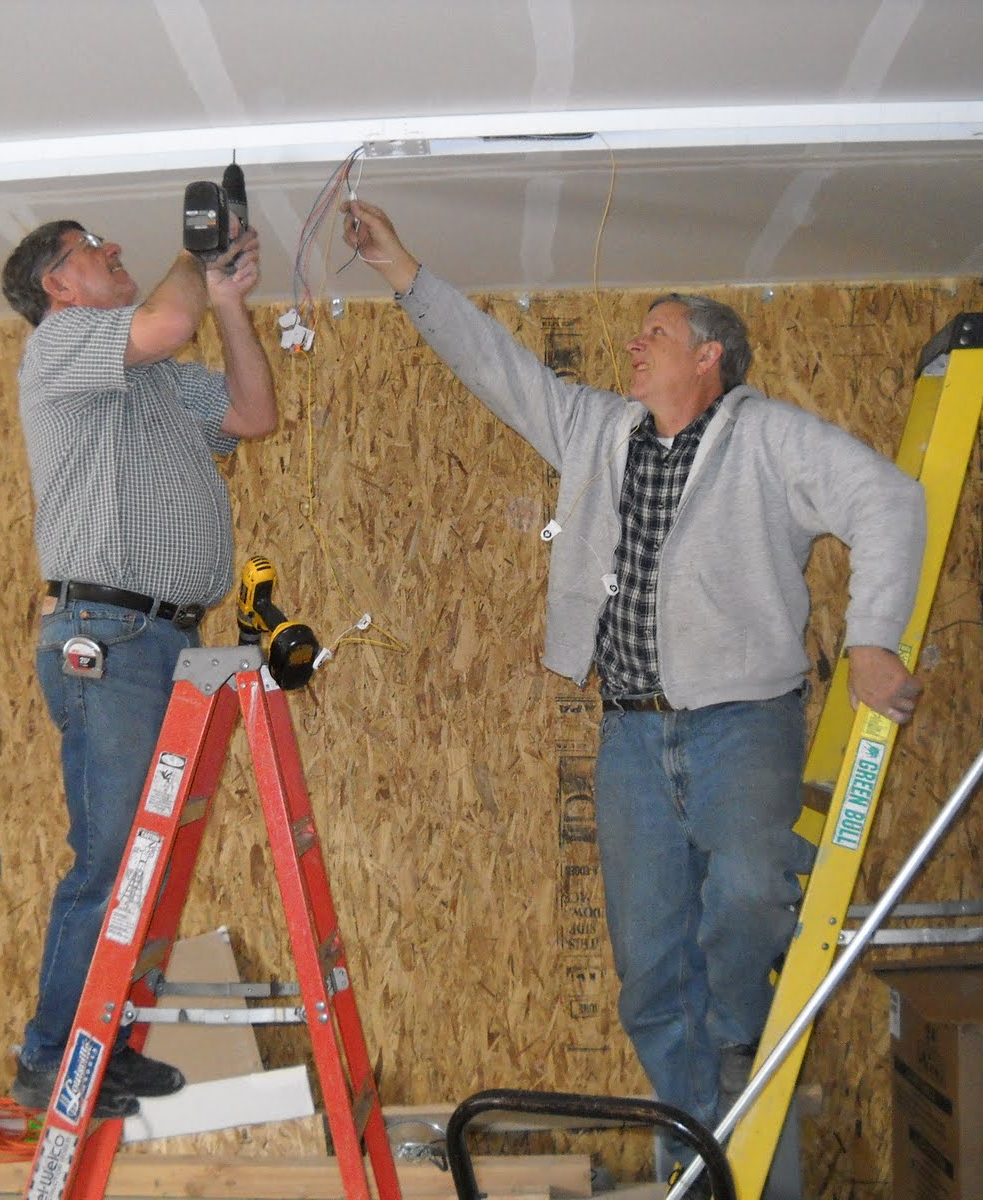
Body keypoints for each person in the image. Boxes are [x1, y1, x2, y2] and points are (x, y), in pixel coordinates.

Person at [341, 199, 926, 1184]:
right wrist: (403, 269)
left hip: (743, 724)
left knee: (747, 893)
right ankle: (698, 1140)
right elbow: (498, 367)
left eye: (654, 332)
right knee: (649, 960)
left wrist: (870, 637)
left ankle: (736, 1047)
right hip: (630, 737)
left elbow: (887, 496)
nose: (632, 344)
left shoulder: (767, 437)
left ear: (709, 357)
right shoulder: (597, 430)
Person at [0, 217, 277, 1115]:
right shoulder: (60, 347)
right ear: (59, 289)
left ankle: (101, 1046)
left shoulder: (152, 381)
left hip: (161, 641)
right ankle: (51, 1054)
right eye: (92, 251)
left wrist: (229, 301)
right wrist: (197, 258)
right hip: (106, 638)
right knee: (113, 853)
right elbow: (164, 320)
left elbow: (252, 415)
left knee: (140, 860)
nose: (114, 252)